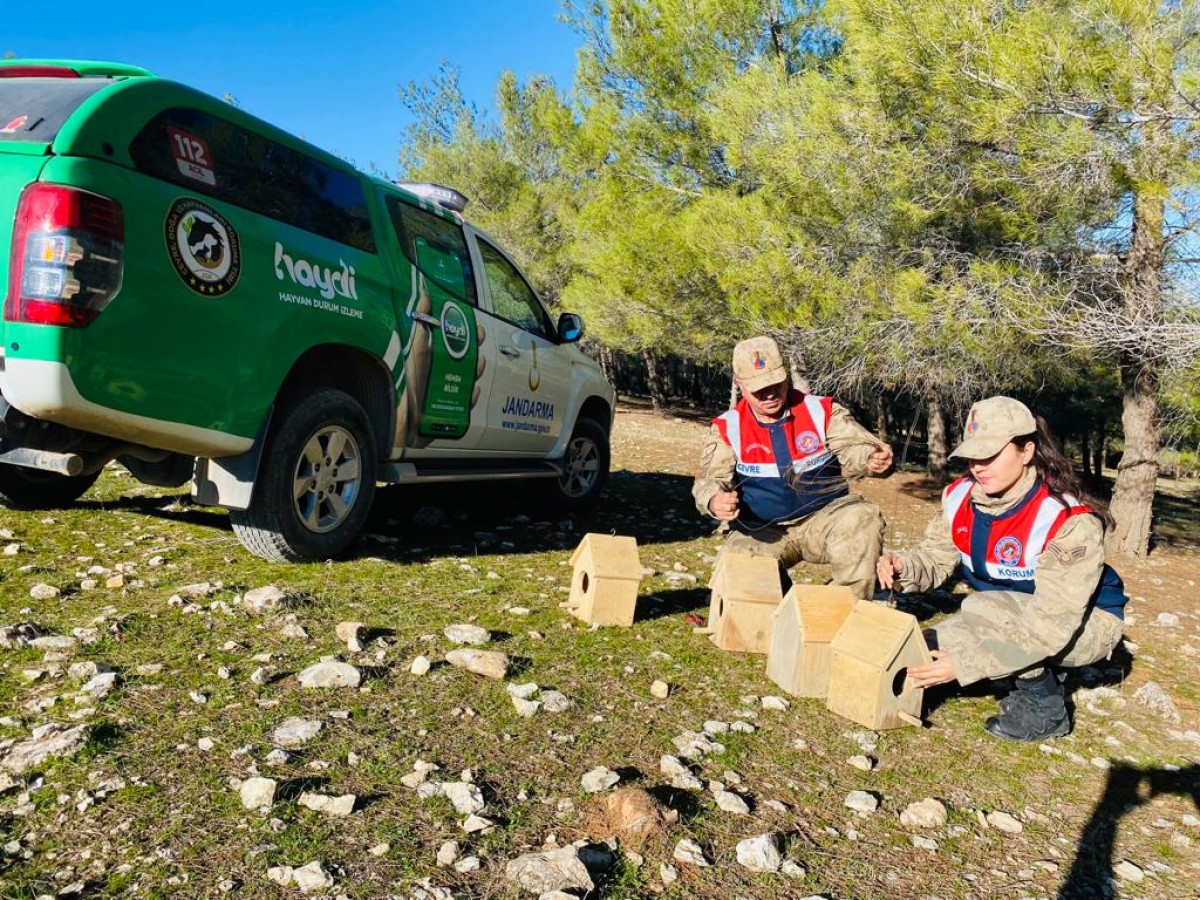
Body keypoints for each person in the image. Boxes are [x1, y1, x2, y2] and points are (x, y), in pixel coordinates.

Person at [877, 396, 1127, 741]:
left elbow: (1051, 624)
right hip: (1001, 614)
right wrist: (902, 566)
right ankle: (1024, 668)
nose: (978, 466)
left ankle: (1045, 708)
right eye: (972, 455)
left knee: (980, 614)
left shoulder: (1067, 519)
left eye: (991, 454)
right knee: (925, 648)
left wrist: (966, 664)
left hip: (1084, 624)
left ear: (1026, 452)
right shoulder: (960, 497)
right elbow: (934, 558)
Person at [693, 336, 894, 603]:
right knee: (736, 564)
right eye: (759, 389)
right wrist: (714, 500)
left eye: (775, 384)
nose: (769, 394)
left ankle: (842, 609)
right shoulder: (726, 428)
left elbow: (854, 447)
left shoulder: (821, 410)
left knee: (862, 520)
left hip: (826, 517)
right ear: (740, 385)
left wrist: (871, 459)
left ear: (786, 377)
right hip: (764, 530)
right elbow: (708, 481)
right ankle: (784, 608)